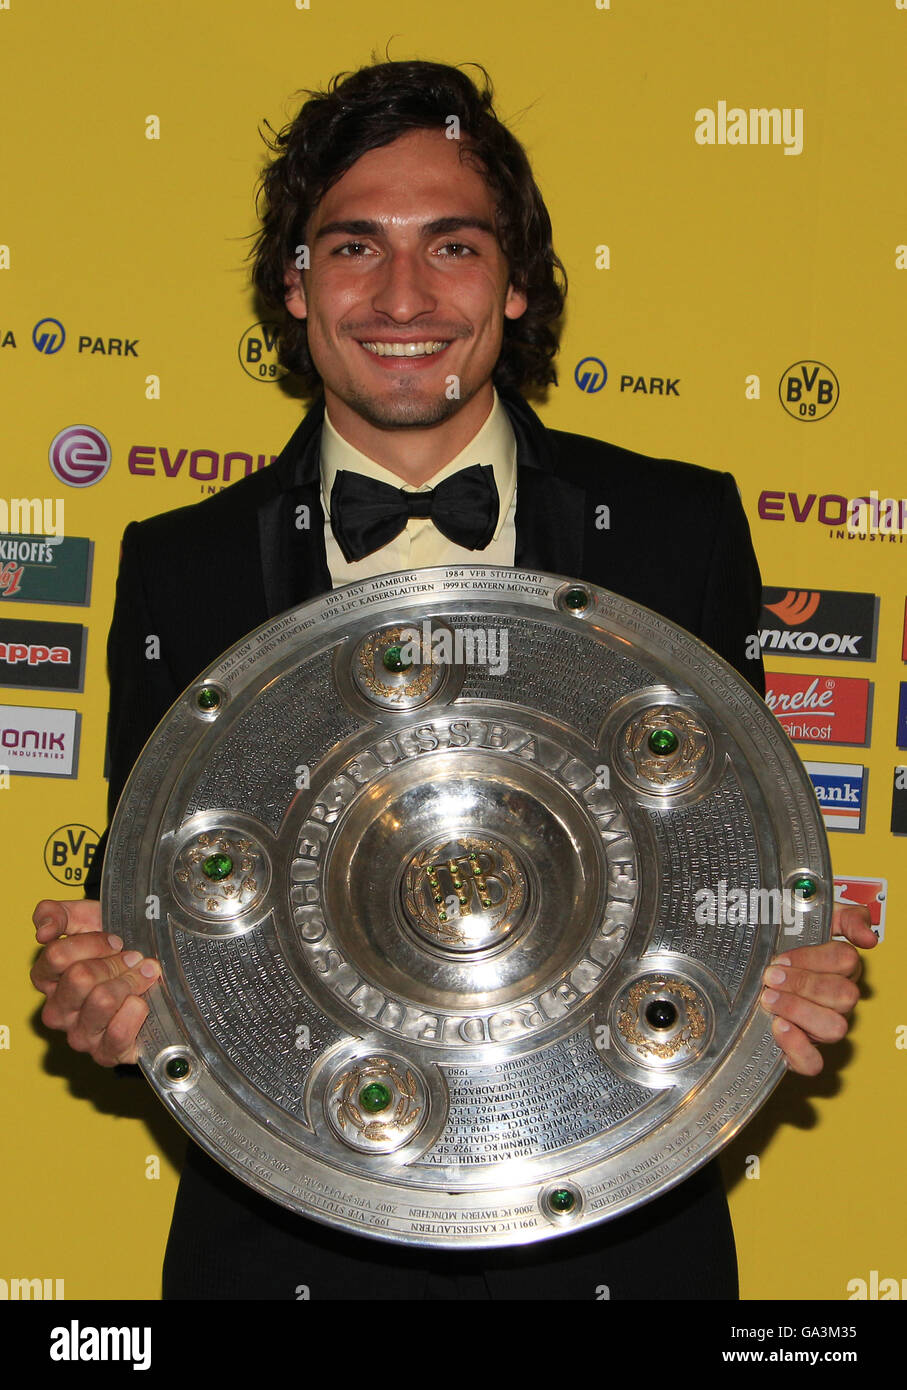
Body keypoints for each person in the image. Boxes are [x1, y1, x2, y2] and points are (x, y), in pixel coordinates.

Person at [30, 59, 876, 1300]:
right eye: (354, 247)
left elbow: (735, 852)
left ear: (516, 283)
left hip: (616, 1244)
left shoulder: (674, 528)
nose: (403, 295)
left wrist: (793, 961)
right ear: (293, 284)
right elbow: (156, 894)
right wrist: (101, 986)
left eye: (456, 247)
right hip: (284, 1252)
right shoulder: (179, 563)